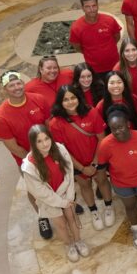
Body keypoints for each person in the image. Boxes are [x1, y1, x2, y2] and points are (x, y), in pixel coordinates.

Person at [0, 71, 53, 238]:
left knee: (56, 179)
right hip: (27, 159)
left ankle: (63, 205)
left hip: (49, 150)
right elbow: (13, 147)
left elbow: (49, 125)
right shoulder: (1, 117)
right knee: (35, 189)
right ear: (5, 90)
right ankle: (43, 217)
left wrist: (50, 150)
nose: (16, 87)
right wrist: (36, 158)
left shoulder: (38, 99)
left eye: (18, 83)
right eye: (11, 85)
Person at [95, 107, 137, 249]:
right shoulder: (105, 144)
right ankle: (136, 229)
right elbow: (103, 165)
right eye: (113, 129)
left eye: (120, 127)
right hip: (122, 184)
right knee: (130, 206)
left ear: (128, 124)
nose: (118, 131)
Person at [22, 125, 89, 261]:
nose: (45, 144)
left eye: (47, 139)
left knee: (72, 218)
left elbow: (69, 172)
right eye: (39, 141)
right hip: (50, 200)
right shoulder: (29, 166)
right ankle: (69, 245)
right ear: (33, 143)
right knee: (60, 224)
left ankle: (78, 241)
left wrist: (69, 196)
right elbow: (40, 192)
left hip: (66, 194)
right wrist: (61, 203)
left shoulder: (59, 149)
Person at [49, 85, 110, 231]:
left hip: (97, 158)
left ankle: (109, 207)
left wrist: (94, 164)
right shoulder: (55, 123)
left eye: (73, 98)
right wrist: (82, 168)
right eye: (66, 100)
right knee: (85, 186)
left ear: (78, 98)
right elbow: (61, 150)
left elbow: (101, 138)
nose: (70, 102)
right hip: (75, 164)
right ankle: (94, 211)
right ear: (60, 102)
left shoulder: (92, 112)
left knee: (102, 181)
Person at [70, 0, 121, 78]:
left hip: (115, 65)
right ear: (82, 8)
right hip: (94, 70)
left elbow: (117, 37)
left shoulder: (109, 20)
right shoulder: (76, 27)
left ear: (98, 5)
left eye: (94, 5)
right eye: (87, 7)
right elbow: (77, 47)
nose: (92, 9)